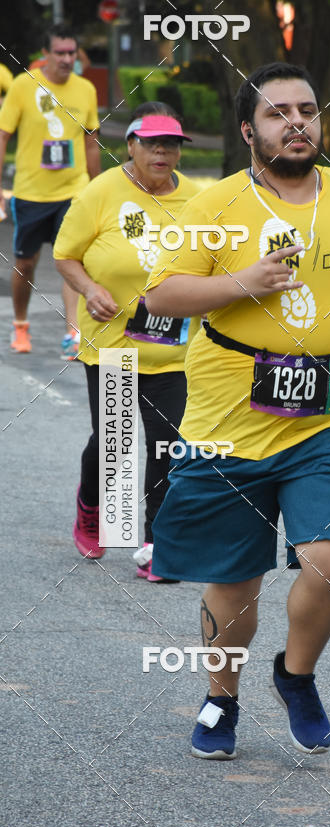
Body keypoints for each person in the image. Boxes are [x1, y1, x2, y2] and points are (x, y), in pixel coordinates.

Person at [145, 62, 330, 759]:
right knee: (235, 582)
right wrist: (244, 282)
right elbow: (160, 295)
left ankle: (296, 675)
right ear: (249, 131)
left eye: (307, 110)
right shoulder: (215, 205)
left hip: (326, 416)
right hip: (229, 422)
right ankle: (221, 698)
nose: (297, 123)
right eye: (278, 113)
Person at [54, 104, 200, 579]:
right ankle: (92, 507)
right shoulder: (101, 192)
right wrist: (90, 289)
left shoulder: (200, 201)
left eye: (171, 144)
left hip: (174, 347)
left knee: (167, 444)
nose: (162, 152)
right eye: (152, 143)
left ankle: (158, 543)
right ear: (131, 145)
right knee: (113, 441)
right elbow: (66, 255)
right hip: (114, 344)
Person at [0, 24, 100, 357]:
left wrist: (97, 187)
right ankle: (20, 324)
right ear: (45, 54)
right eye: (60, 53)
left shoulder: (85, 89)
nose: (66, 59)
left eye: (72, 52)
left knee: (72, 261)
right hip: (31, 193)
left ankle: (74, 332)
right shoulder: (23, 85)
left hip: (73, 191)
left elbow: (91, 141)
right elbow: (3, 135)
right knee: (25, 264)